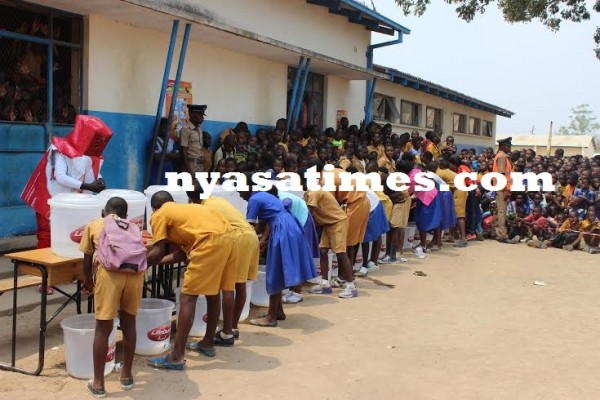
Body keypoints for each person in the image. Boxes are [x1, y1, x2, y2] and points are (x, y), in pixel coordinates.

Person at [146, 191, 237, 369]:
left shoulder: (159, 214)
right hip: (229, 239)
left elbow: (156, 251)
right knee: (213, 293)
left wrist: (141, 264)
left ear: (154, 207)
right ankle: (207, 343)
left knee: (188, 298)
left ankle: (177, 357)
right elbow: (182, 253)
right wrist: (159, 261)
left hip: (208, 242)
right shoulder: (187, 211)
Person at [80, 197, 144, 398]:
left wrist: (89, 282)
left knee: (103, 327)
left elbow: (87, 259)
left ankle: (98, 384)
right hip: (135, 274)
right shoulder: (133, 227)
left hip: (109, 275)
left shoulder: (94, 225)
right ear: (125, 215)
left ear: (103, 212)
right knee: (129, 323)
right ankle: (126, 376)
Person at [186, 182, 259, 344]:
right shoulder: (216, 200)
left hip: (238, 238)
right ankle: (232, 328)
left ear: (192, 199)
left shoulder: (205, 208)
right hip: (249, 236)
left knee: (228, 286)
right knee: (240, 284)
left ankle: (227, 333)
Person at [239, 183, 316, 326]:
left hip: (283, 230)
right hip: (289, 226)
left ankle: (271, 317)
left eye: (240, 190)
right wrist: (263, 241)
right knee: (278, 269)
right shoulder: (264, 195)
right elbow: (269, 221)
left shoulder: (254, 199)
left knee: (275, 271)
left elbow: (248, 229)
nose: (238, 194)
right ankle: (278, 311)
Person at [492, 137, 512, 241]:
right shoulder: (502, 157)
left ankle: (494, 231)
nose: (510, 148)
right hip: (502, 188)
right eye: (508, 146)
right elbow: (501, 175)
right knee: (501, 211)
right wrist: (506, 190)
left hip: (500, 187)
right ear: (503, 146)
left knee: (498, 210)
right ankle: (502, 234)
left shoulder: (502, 156)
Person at [180, 104, 206, 174]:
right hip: (191, 165)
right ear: (192, 115)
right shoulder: (186, 129)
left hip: (200, 164)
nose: (202, 118)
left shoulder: (199, 129)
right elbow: (184, 151)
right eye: (200, 115)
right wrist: (189, 171)